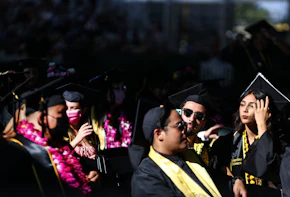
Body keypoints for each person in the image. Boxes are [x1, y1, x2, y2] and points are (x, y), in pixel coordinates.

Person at [1, 93, 98, 197]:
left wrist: (92, 175)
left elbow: (85, 171)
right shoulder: (16, 150)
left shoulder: (62, 147)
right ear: (42, 118)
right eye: (61, 113)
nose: (66, 119)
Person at [131, 103, 231, 197]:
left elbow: (214, 181)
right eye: (179, 126)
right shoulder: (146, 177)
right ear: (159, 134)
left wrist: (234, 182)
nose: (185, 129)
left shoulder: (189, 156)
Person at [227, 72, 287, 197]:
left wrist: (261, 124)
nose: (245, 109)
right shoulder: (230, 141)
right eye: (242, 104)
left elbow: (265, 167)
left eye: (252, 106)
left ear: (265, 110)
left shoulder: (280, 144)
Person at [168, 83, 232, 169]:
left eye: (199, 116)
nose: (191, 119)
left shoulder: (207, 154)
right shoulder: (168, 146)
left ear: (204, 122)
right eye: (188, 113)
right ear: (180, 113)